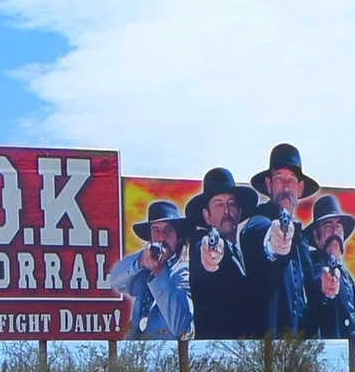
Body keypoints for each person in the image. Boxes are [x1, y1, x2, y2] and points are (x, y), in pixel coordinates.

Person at [237, 143, 321, 336]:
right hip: (266, 351)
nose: (285, 186)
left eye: (291, 180)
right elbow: (260, 234)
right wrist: (274, 242)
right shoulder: (258, 222)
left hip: (299, 353)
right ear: (268, 185)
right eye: (279, 179)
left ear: (299, 188)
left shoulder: (302, 241)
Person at [185, 166, 266, 338]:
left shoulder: (249, 250)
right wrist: (209, 255)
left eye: (231, 204)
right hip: (217, 354)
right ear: (207, 216)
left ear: (240, 211)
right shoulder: (201, 244)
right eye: (219, 205)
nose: (227, 211)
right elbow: (204, 253)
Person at [105, 199, 194, 338]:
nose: (161, 237)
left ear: (179, 238)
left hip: (168, 355)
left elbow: (180, 328)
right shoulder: (145, 266)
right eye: (155, 231)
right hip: (139, 352)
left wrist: (159, 274)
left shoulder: (185, 271)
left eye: (168, 231)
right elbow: (116, 280)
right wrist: (141, 261)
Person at [293, 193, 355, 339]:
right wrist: (325, 286)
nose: (335, 231)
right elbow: (317, 280)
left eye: (338, 225)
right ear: (316, 235)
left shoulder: (346, 275)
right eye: (328, 226)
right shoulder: (313, 264)